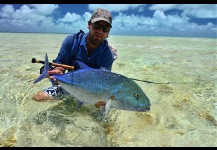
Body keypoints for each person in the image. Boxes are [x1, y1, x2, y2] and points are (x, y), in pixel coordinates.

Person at [32, 8, 117, 101]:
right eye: (96, 25)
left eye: (105, 28)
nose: (100, 31)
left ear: (108, 32)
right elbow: (59, 65)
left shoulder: (108, 54)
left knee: (104, 111)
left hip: (92, 92)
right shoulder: (71, 41)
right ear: (89, 24)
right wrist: (56, 73)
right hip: (69, 85)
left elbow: (104, 82)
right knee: (39, 97)